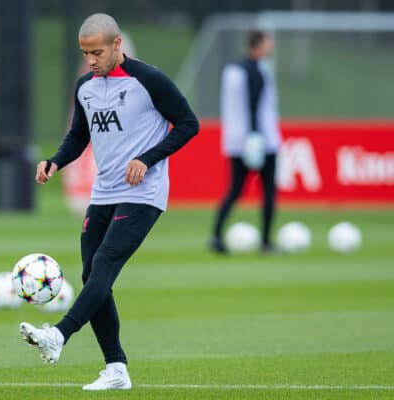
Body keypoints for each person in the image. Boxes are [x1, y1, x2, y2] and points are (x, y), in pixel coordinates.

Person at [19, 13, 199, 391]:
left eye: (97, 52)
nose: (90, 60)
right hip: (103, 193)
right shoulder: (85, 87)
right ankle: (116, 369)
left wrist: (147, 159)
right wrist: (55, 161)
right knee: (92, 275)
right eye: (85, 53)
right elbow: (78, 136)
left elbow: (187, 123)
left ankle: (59, 335)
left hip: (143, 193)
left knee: (104, 262)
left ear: (117, 45)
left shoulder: (148, 80)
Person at [210, 29, 281, 254]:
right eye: (268, 43)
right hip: (261, 140)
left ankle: (216, 235)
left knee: (235, 190)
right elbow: (254, 104)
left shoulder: (232, 69)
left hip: (235, 140)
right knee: (268, 190)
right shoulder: (257, 70)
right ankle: (266, 241)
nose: (271, 47)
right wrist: (255, 135)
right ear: (259, 44)